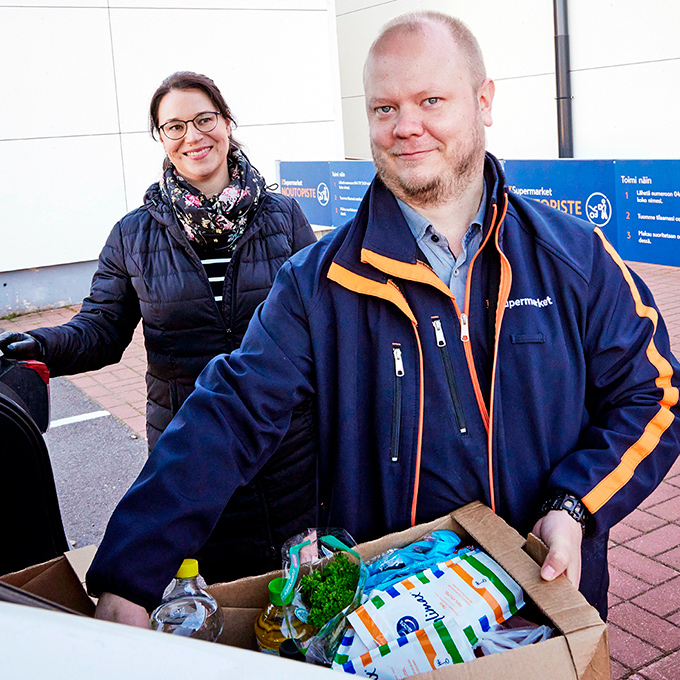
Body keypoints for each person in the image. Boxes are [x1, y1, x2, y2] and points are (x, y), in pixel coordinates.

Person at [88, 12, 680, 627]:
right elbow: (228, 414)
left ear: (483, 102)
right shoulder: (319, 283)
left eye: (430, 100)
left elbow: (655, 393)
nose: (406, 127)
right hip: (391, 625)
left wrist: (573, 506)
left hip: (549, 609)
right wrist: (132, 575)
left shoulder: (574, 256)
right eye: (384, 108)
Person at [0, 71, 318, 583]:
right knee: (212, 603)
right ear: (161, 139)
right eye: (173, 126)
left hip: (288, 450)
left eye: (204, 119)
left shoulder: (283, 217)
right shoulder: (133, 234)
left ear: (227, 123)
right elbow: (100, 329)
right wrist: (34, 345)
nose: (192, 136)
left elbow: (318, 321)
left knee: (301, 600)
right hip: (189, 453)